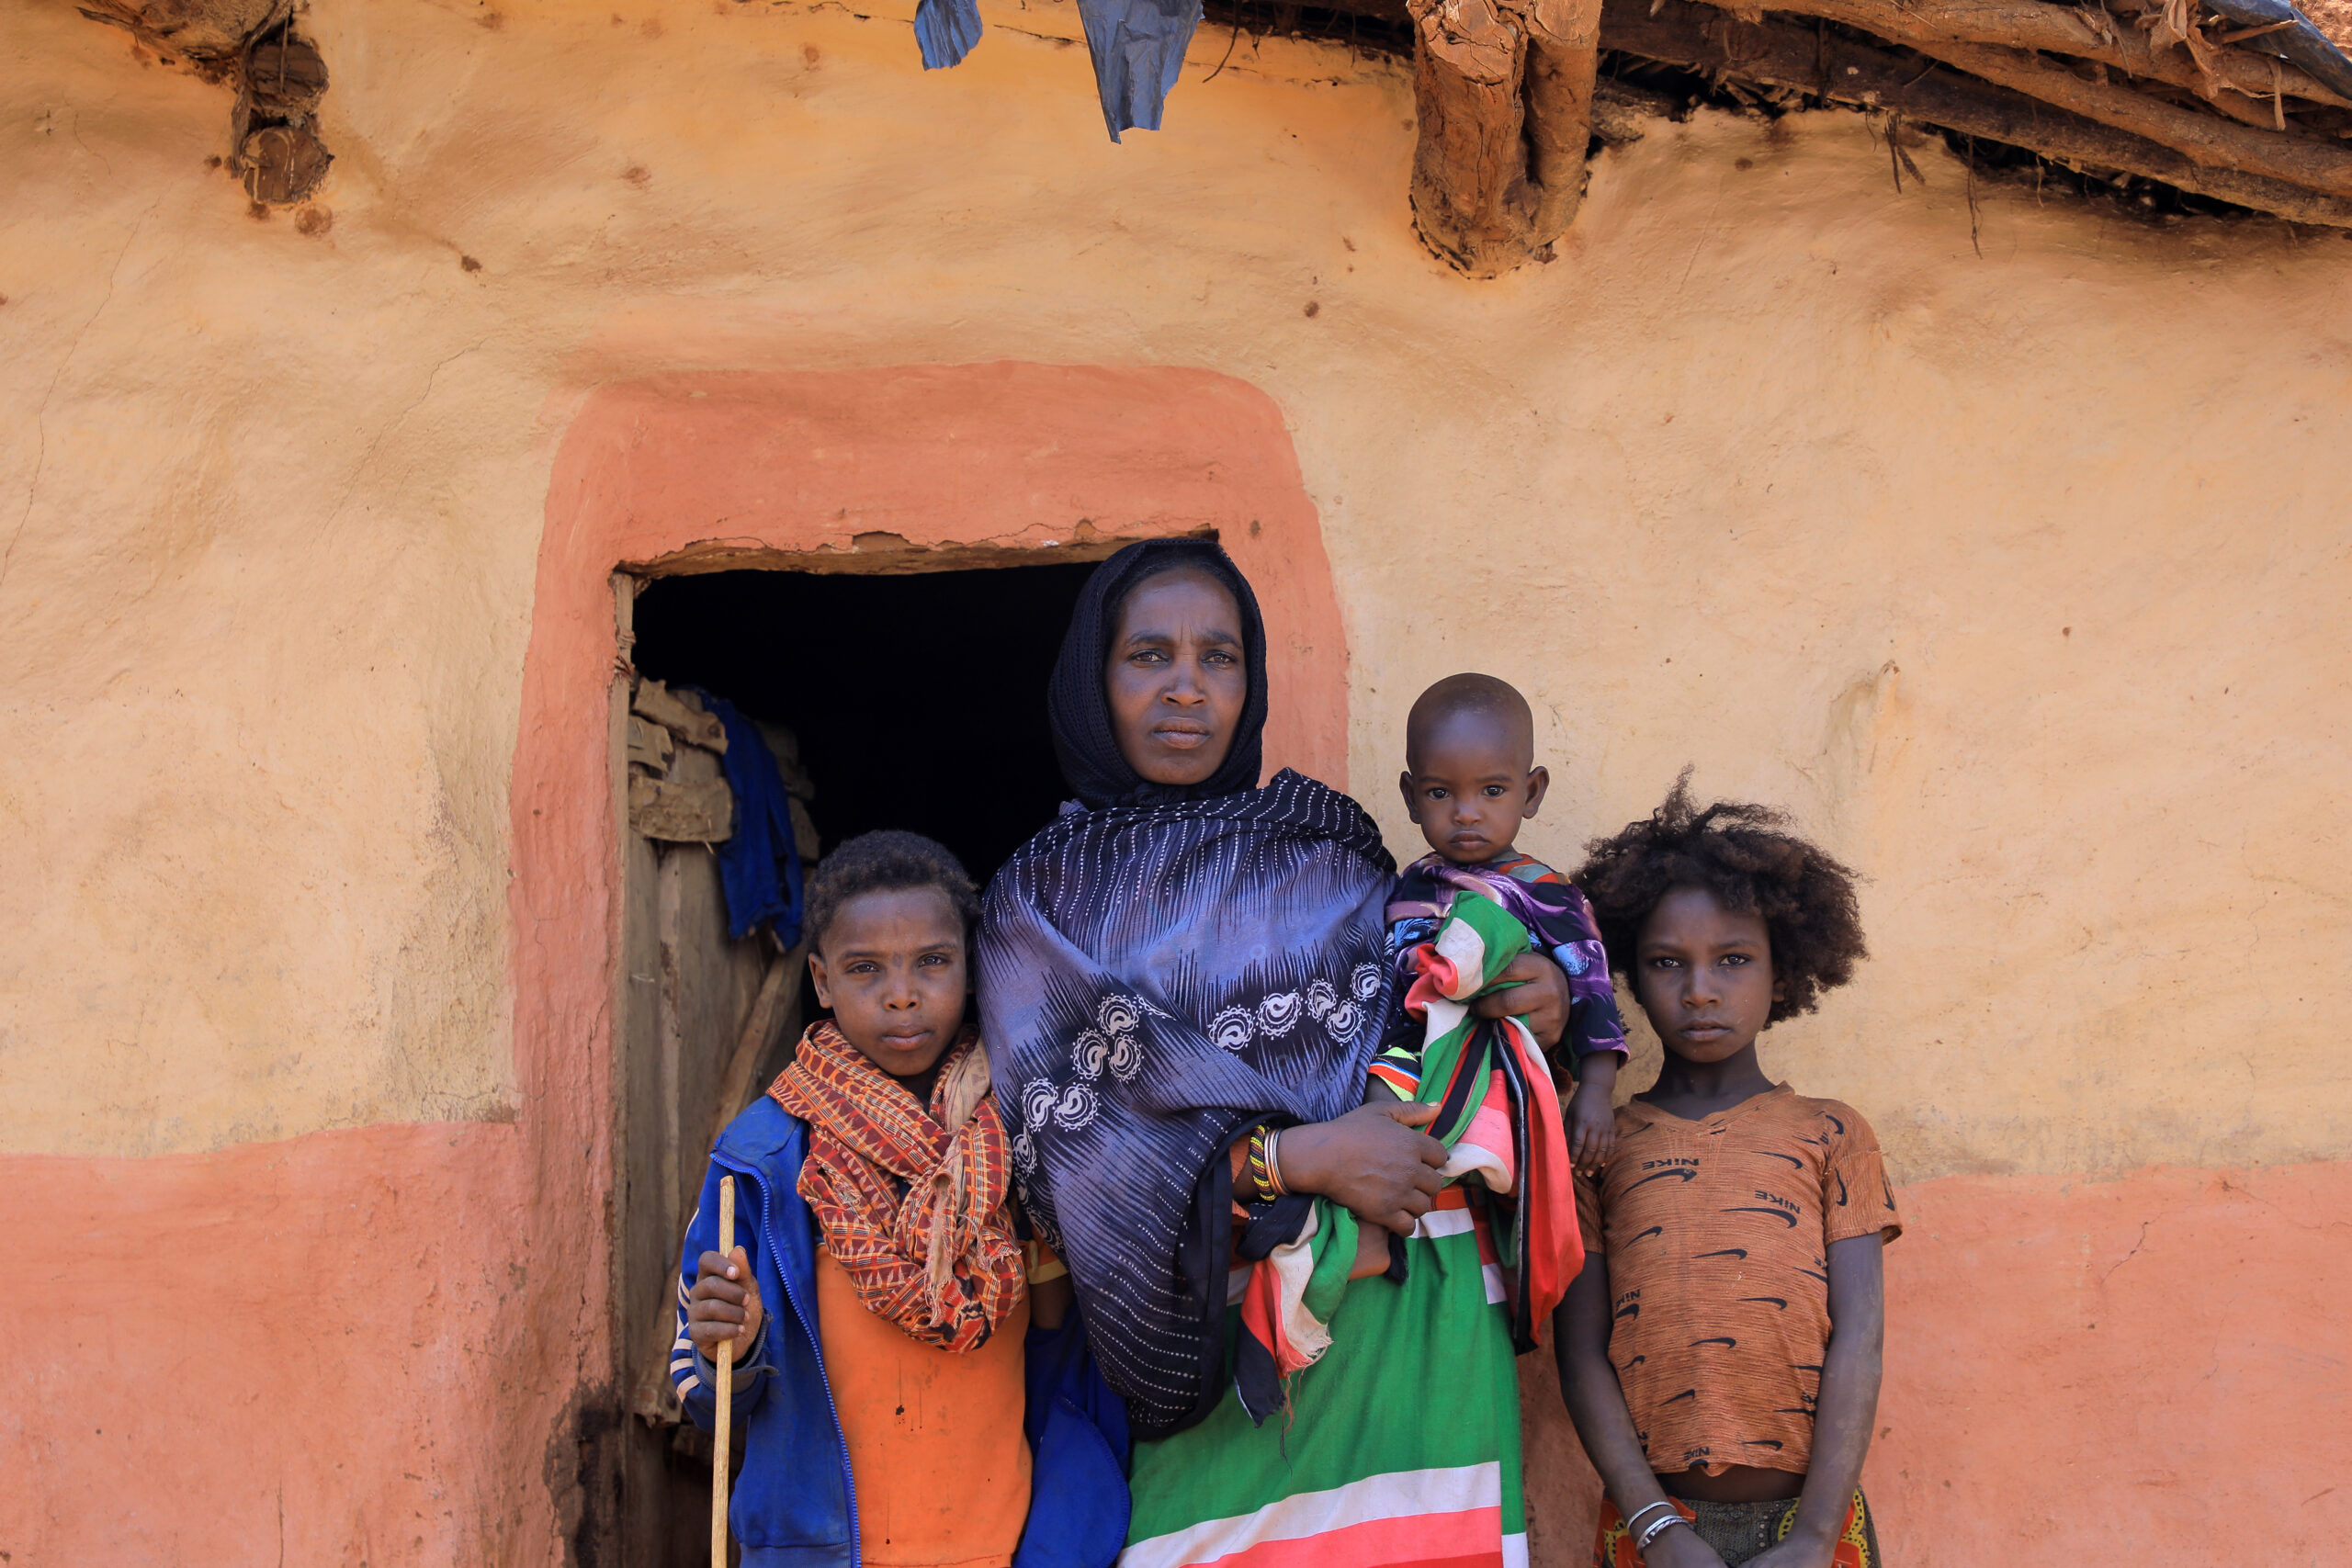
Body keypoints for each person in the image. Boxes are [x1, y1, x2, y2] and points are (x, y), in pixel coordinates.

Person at [978, 539, 1586, 1568]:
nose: (1186, 688)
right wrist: (1295, 1158)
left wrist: (1541, 1002)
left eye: (1218, 658)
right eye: (1148, 656)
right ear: (1092, 679)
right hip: (1219, 1339)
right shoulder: (1037, 904)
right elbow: (1063, 1160)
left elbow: (1433, 1023)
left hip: (1417, 1312)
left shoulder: (1331, 846)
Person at [674, 830, 1126, 1568]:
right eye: (865, 968)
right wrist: (736, 1339)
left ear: (972, 966)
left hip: (1005, 1549)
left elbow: (1061, 1356)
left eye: (932, 961)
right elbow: (705, 1393)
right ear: (821, 981)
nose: (902, 994)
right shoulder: (763, 1160)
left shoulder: (1024, 1133)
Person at [1555, 780, 1897, 1568]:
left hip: (1810, 1530)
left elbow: (1861, 1339)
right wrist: (1657, 1527)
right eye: (1666, 962)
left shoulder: (1833, 1135)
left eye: (1734, 959)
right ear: (1632, 977)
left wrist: (1814, 1537)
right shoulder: (1600, 1147)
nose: (1700, 989)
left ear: (1782, 973)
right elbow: (1580, 1355)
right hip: (1655, 1532)